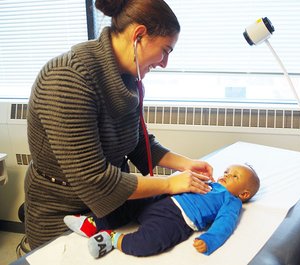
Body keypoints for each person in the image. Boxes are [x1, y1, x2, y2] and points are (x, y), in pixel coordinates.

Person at [24, 0, 213, 250]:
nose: (165, 63)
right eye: (165, 50)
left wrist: (187, 164)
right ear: (139, 35)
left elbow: (138, 143)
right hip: (62, 211)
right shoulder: (68, 78)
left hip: (112, 207)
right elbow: (96, 181)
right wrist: (170, 183)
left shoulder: (127, 78)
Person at [64, 164, 260, 257]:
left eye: (234, 176)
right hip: (164, 197)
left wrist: (209, 240)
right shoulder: (209, 182)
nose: (226, 174)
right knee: (129, 204)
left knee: (150, 242)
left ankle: (112, 239)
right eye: (227, 171)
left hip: (176, 218)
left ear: (243, 194)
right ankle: (93, 223)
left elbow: (225, 224)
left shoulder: (231, 201)